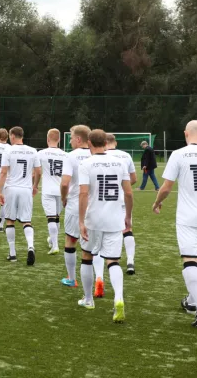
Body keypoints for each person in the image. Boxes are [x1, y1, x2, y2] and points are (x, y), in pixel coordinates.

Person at [152, 120, 197, 328]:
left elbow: (166, 187)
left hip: (188, 217)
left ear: (185, 134)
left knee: (190, 260)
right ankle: (192, 302)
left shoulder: (178, 154)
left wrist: (157, 202)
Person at [78, 129, 133, 323]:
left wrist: (81, 220)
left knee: (87, 255)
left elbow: (83, 194)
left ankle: (88, 299)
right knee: (113, 261)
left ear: (90, 143)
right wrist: (128, 216)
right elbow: (128, 193)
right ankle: (118, 298)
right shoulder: (120, 162)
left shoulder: (86, 163)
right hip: (114, 219)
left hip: (94, 218)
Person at [0, 127, 41, 266]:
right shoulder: (33, 151)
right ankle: (30, 246)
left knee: (10, 220)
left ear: (13, 136)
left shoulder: (8, 150)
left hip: (11, 188)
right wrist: (35, 185)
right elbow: (38, 171)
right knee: (26, 221)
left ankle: (13, 253)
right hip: (26, 189)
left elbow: (3, 172)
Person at [60, 125, 92, 287]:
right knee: (93, 245)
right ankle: (99, 279)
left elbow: (65, 183)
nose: (70, 141)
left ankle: (72, 279)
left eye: (71, 138)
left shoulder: (70, 156)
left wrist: (63, 198)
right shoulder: (97, 154)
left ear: (79, 139)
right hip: (94, 206)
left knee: (71, 239)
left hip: (75, 204)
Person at [106, 134, 138, 277]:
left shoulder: (100, 156)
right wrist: (122, 187)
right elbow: (134, 179)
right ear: (116, 143)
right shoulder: (126, 156)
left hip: (105, 199)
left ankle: (110, 260)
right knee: (127, 229)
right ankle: (130, 261)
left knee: (105, 230)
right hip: (123, 197)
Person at [38, 129, 67, 256]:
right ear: (59, 139)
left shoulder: (41, 154)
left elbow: (37, 172)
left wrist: (34, 185)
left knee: (51, 218)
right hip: (61, 190)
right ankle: (51, 240)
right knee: (56, 218)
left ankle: (55, 245)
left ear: (47, 139)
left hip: (48, 190)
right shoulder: (66, 155)